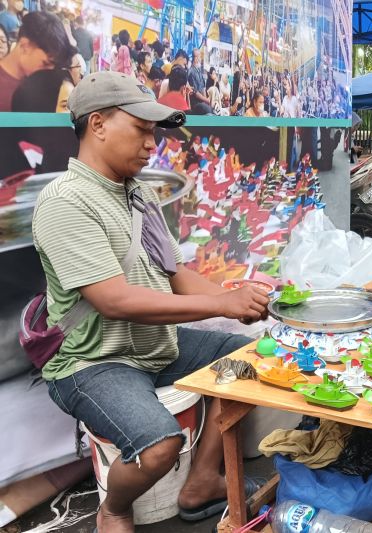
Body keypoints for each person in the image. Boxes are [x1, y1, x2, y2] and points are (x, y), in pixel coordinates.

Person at [32, 71, 270, 533]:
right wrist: (225, 306)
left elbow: (175, 274)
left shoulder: (139, 194)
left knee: (250, 358)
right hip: (91, 361)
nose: (151, 144)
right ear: (97, 124)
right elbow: (114, 300)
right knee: (159, 446)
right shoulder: (64, 202)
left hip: (154, 344)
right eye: (141, 130)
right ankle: (114, 510)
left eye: (153, 133)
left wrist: (252, 302)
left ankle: (201, 480)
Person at [0, 11, 73, 111]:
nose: (49, 71)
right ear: (25, 46)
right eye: (45, 63)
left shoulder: (50, 87)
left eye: (54, 65)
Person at [187, 47, 212, 114]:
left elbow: (203, 87)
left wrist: (206, 100)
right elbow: (195, 92)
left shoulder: (199, 71)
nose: (199, 58)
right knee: (209, 110)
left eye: (200, 56)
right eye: (197, 56)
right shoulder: (191, 72)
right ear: (194, 58)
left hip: (202, 101)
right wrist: (206, 100)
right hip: (196, 104)